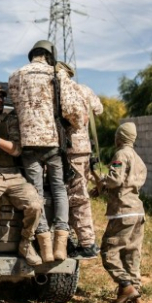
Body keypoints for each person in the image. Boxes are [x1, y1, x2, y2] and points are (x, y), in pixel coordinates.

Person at [8, 40, 84, 263]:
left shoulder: (16, 75)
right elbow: (73, 110)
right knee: (59, 189)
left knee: (36, 193)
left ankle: (44, 245)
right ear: (50, 55)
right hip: (52, 143)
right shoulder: (56, 74)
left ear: (32, 55)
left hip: (28, 144)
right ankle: (60, 242)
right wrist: (73, 127)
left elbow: (15, 105)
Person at [0, 85, 44, 268]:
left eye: (1, 97)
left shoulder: (11, 118)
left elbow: (16, 150)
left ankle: (26, 243)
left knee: (36, 205)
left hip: (13, 173)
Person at [54, 62, 104, 259]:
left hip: (69, 149)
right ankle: (74, 238)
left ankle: (87, 243)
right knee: (74, 193)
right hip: (82, 148)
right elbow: (98, 109)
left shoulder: (60, 91)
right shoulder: (84, 89)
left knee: (75, 196)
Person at [100, 122, 148, 303]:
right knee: (132, 254)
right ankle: (136, 299)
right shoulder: (139, 159)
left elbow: (115, 179)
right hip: (138, 212)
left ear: (120, 137)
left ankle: (126, 286)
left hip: (122, 212)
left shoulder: (121, 154)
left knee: (108, 252)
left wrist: (103, 181)